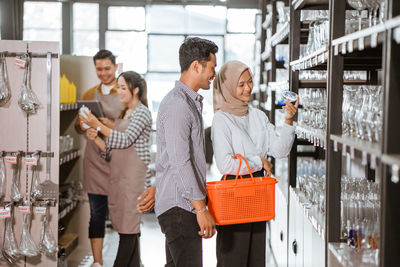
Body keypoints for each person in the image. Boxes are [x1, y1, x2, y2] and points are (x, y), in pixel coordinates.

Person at [211, 60, 298, 267]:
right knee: (233, 258)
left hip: (258, 193)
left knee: (256, 257)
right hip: (234, 193)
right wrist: (258, 161)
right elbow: (225, 165)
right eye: (241, 84)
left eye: (249, 82)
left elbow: (279, 151)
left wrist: (287, 122)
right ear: (228, 86)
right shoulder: (221, 120)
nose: (247, 88)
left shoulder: (258, 116)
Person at [154, 37, 219, 267]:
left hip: (180, 205)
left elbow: (172, 159)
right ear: (196, 66)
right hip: (180, 208)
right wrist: (201, 209)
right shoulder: (178, 105)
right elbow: (180, 161)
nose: (214, 73)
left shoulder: (187, 102)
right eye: (212, 67)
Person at [80, 71, 152, 267]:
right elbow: (110, 152)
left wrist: (98, 125)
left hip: (133, 181)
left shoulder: (142, 112)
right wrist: (96, 139)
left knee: (128, 233)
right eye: (118, 87)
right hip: (119, 179)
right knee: (126, 230)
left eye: (122, 87)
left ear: (135, 90)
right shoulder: (124, 113)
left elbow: (125, 139)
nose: (118, 92)